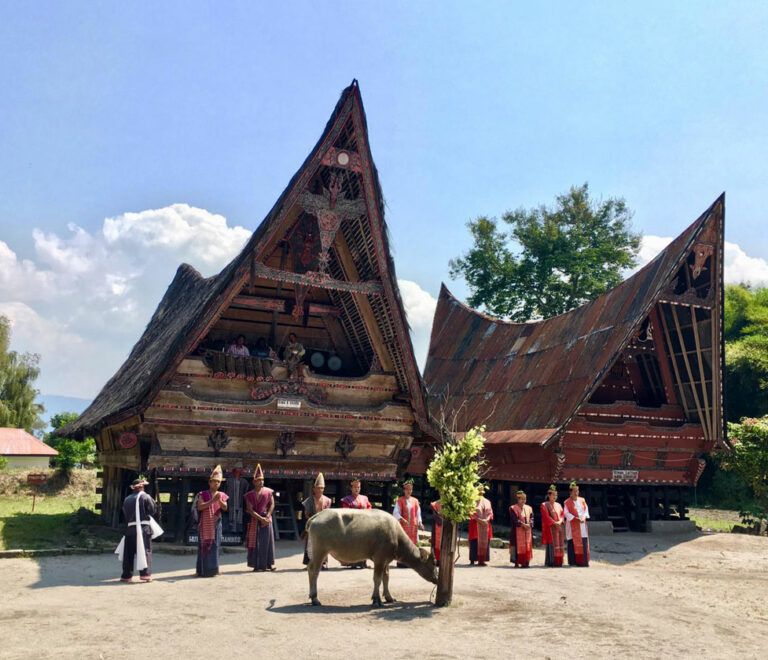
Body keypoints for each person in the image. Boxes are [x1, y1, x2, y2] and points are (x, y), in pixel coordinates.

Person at [118, 476, 158, 583]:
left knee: (128, 553)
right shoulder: (145, 497)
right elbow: (152, 510)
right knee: (146, 550)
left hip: (130, 528)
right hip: (143, 528)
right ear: (142, 487)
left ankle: (126, 575)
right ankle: (145, 574)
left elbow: (124, 514)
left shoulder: (127, 499)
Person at [196, 465, 229, 577]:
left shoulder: (222, 495)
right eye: (214, 481)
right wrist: (212, 501)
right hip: (205, 524)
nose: (216, 484)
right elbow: (200, 507)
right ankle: (202, 570)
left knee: (215, 546)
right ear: (209, 482)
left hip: (216, 523)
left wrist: (219, 501)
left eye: (218, 482)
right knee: (204, 545)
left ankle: (214, 570)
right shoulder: (203, 494)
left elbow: (225, 508)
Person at [244, 464, 276, 572]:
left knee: (268, 542)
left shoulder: (268, 492)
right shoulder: (249, 495)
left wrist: (267, 516)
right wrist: (260, 519)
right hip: (255, 519)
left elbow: (272, 504)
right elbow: (250, 509)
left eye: (262, 480)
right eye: (258, 480)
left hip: (266, 518)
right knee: (255, 542)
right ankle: (256, 564)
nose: (261, 482)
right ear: (254, 482)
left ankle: (269, 564)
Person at [341, 477, 372, 568]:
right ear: (351, 488)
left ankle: (363, 562)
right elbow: (345, 512)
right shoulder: (346, 499)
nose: (357, 489)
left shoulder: (364, 498)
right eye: (355, 487)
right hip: (352, 524)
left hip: (364, 524)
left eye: (358, 487)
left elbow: (369, 508)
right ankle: (352, 562)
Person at [302, 472, 331, 568]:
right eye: (318, 488)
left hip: (323, 525)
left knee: (323, 545)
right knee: (311, 544)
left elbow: (328, 514)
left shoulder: (327, 500)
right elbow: (306, 514)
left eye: (322, 488)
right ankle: (310, 563)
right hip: (312, 524)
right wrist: (312, 521)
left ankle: (322, 563)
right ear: (314, 489)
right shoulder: (309, 500)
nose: (320, 490)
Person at [393, 478, 423, 566]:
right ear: (404, 490)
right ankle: (401, 562)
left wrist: (420, 522)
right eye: (407, 489)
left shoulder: (415, 501)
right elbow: (396, 512)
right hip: (403, 526)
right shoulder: (400, 500)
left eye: (410, 489)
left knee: (412, 543)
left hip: (413, 526)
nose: (409, 491)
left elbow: (418, 513)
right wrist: (401, 518)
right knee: (403, 543)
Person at [564, 481, 590, 567]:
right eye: (574, 491)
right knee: (572, 543)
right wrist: (575, 518)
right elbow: (566, 513)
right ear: (570, 493)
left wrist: (584, 518)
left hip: (582, 525)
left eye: (577, 491)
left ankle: (583, 561)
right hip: (573, 526)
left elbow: (586, 510)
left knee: (583, 542)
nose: (576, 493)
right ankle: (573, 561)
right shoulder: (567, 502)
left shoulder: (582, 500)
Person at [540, 485, 565, 567]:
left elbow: (562, 514)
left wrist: (560, 521)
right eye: (553, 495)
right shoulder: (544, 505)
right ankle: (551, 561)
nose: (555, 497)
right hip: (550, 528)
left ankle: (559, 561)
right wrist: (555, 523)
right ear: (549, 495)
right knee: (551, 544)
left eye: (556, 495)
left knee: (559, 543)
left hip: (559, 527)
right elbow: (546, 516)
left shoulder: (558, 505)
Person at [509, 490, 533, 568]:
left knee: (527, 545)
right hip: (517, 531)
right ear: (518, 499)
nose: (523, 501)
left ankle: (526, 562)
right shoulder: (513, 508)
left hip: (527, 530)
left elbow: (532, 518)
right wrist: (523, 525)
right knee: (516, 546)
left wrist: (529, 524)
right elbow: (515, 519)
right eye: (521, 499)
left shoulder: (529, 508)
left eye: (524, 499)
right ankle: (516, 562)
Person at [469, 490, 493, 566]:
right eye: (478, 491)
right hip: (475, 524)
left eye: (481, 491)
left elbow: (490, 512)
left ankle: (483, 560)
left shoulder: (487, 501)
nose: (480, 493)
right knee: (474, 541)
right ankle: (473, 559)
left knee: (485, 541)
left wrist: (487, 519)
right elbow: (470, 512)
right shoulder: (472, 501)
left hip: (486, 524)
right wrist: (478, 520)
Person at [225, 468, 250, 535]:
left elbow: (246, 493)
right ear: (234, 472)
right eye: (236, 471)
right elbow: (225, 491)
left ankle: (239, 532)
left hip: (240, 502)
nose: (237, 473)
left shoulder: (244, 482)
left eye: (239, 471)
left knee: (239, 517)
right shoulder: (229, 481)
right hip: (231, 502)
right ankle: (231, 531)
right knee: (231, 516)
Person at [430, 498, 444, 566]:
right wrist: (439, 520)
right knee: (436, 542)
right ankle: (436, 559)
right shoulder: (435, 504)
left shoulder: (449, 504)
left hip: (445, 526)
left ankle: (443, 559)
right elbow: (434, 514)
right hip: (437, 525)